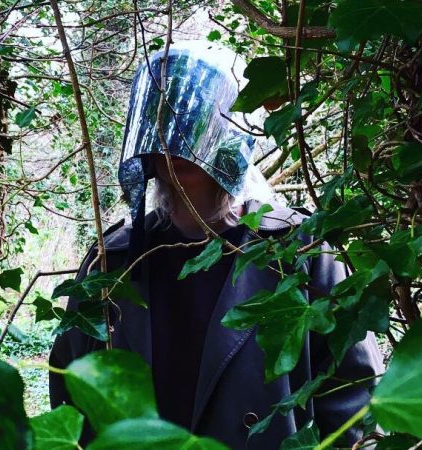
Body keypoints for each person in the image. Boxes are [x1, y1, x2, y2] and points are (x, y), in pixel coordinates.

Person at [48, 41, 384, 449]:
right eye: (164, 118)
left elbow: (357, 403)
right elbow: (71, 396)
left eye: (197, 116)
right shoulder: (111, 261)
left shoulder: (301, 251)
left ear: (231, 128)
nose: (177, 140)